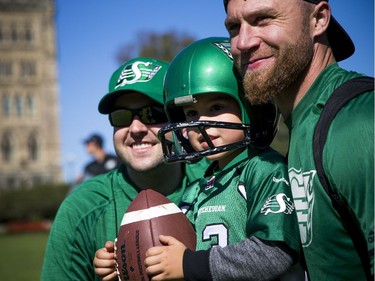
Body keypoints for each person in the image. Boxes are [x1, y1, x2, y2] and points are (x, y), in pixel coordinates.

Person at [223, 0, 374, 280]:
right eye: (234, 27)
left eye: (264, 19)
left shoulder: (358, 121)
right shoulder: (302, 122)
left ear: (318, 20)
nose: (242, 43)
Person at [143, 37, 303, 280]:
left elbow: (274, 254)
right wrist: (127, 259)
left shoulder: (265, 170)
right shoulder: (196, 190)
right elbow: (172, 253)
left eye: (216, 107)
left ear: (252, 106)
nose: (201, 123)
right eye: (191, 113)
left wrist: (189, 265)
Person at [41, 57, 209, 281]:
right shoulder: (81, 208)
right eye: (122, 116)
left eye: (152, 113)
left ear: (178, 118)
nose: (136, 128)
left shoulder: (219, 183)